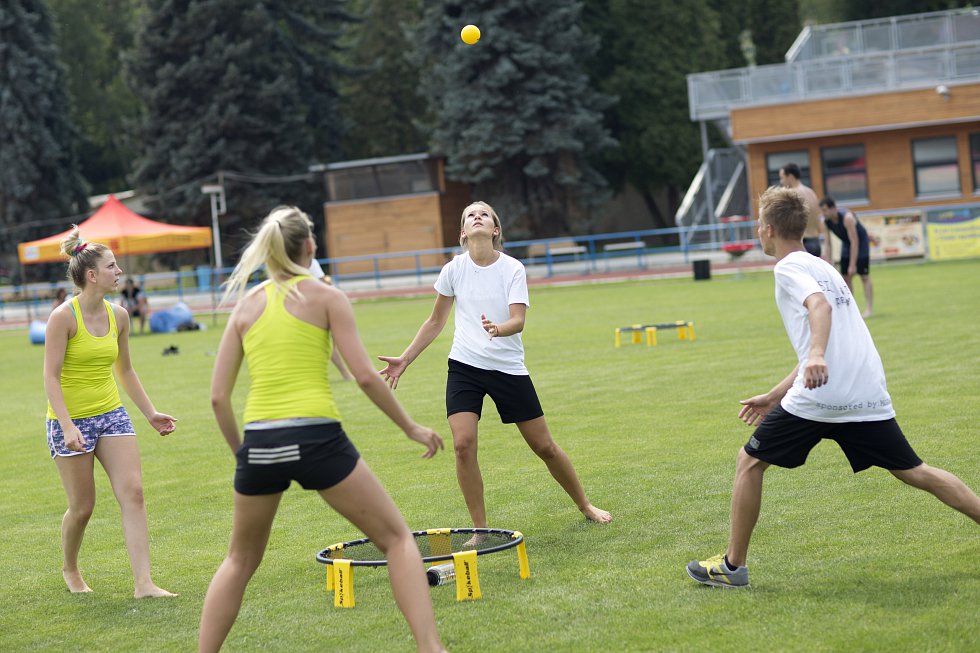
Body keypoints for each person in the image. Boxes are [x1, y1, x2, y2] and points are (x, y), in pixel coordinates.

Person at [686, 187, 980, 588]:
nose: (758, 232)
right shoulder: (822, 266)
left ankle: (732, 567)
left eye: (758, 226)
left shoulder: (788, 267)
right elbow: (821, 338)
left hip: (824, 393)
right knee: (914, 471)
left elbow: (818, 310)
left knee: (749, 462)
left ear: (769, 230)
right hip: (863, 390)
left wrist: (819, 356)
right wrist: (777, 393)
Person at [200, 206, 447, 653]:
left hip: (262, 444)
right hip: (318, 440)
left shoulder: (245, 306)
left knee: (239, 560)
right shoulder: (327, 297)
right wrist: (410, 427)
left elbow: (218, 398)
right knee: (395, 540)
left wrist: (244, 453)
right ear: (310, 247)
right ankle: (432, 649)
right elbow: (367, 376)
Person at [378, 201, 612, 530]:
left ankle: (585, 505)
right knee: (462, 445)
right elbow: (435, 321)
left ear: (495, 229)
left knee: (543, 446)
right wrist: (405, 359)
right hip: (464, 366)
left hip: (507, 368)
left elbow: (518, 320)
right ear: (463, 231)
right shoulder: (453, 270)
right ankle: (480, 528)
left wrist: (497, 329)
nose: (477, 217)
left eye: (484, 214)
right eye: (470, 215)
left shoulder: (512, 269)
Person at [43, 226, 177, 597]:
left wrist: (149, 413)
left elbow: (126, 370)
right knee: (83, 507)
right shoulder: (62, 317)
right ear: (92, 275)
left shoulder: (119, 315)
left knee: (133, 492)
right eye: (112, 266)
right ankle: (70, 567)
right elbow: (50, 379)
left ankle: (144, 584)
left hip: (111, 414)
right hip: (69, 421)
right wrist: (68, 426)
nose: (119, 272)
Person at [819, 196, 873, 318]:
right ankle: (851, 309)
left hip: (860, 243)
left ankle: (869, 308)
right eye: (822, 210)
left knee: (864, 276)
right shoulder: (825, 221)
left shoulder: (847, 218)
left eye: (825, 210)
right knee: (845, 278)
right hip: (847, 245)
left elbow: (855, 241)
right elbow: (828, 243)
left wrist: (852, 264)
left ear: (833, 209)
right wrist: (827, 262)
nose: (823, 213)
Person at [309, 258, 354, 381]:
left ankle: (345, 374)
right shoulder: (311, 262)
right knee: (332, 343)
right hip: (319, 306)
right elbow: (323, 282)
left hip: (307, 307)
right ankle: (346, 374)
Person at [779, 163, 822, 257]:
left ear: (790, 177)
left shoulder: (792, 194)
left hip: (803, 244)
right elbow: (818, 217)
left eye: (782, 178)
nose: (781, 182)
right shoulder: (811, 192)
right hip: (816, 242)